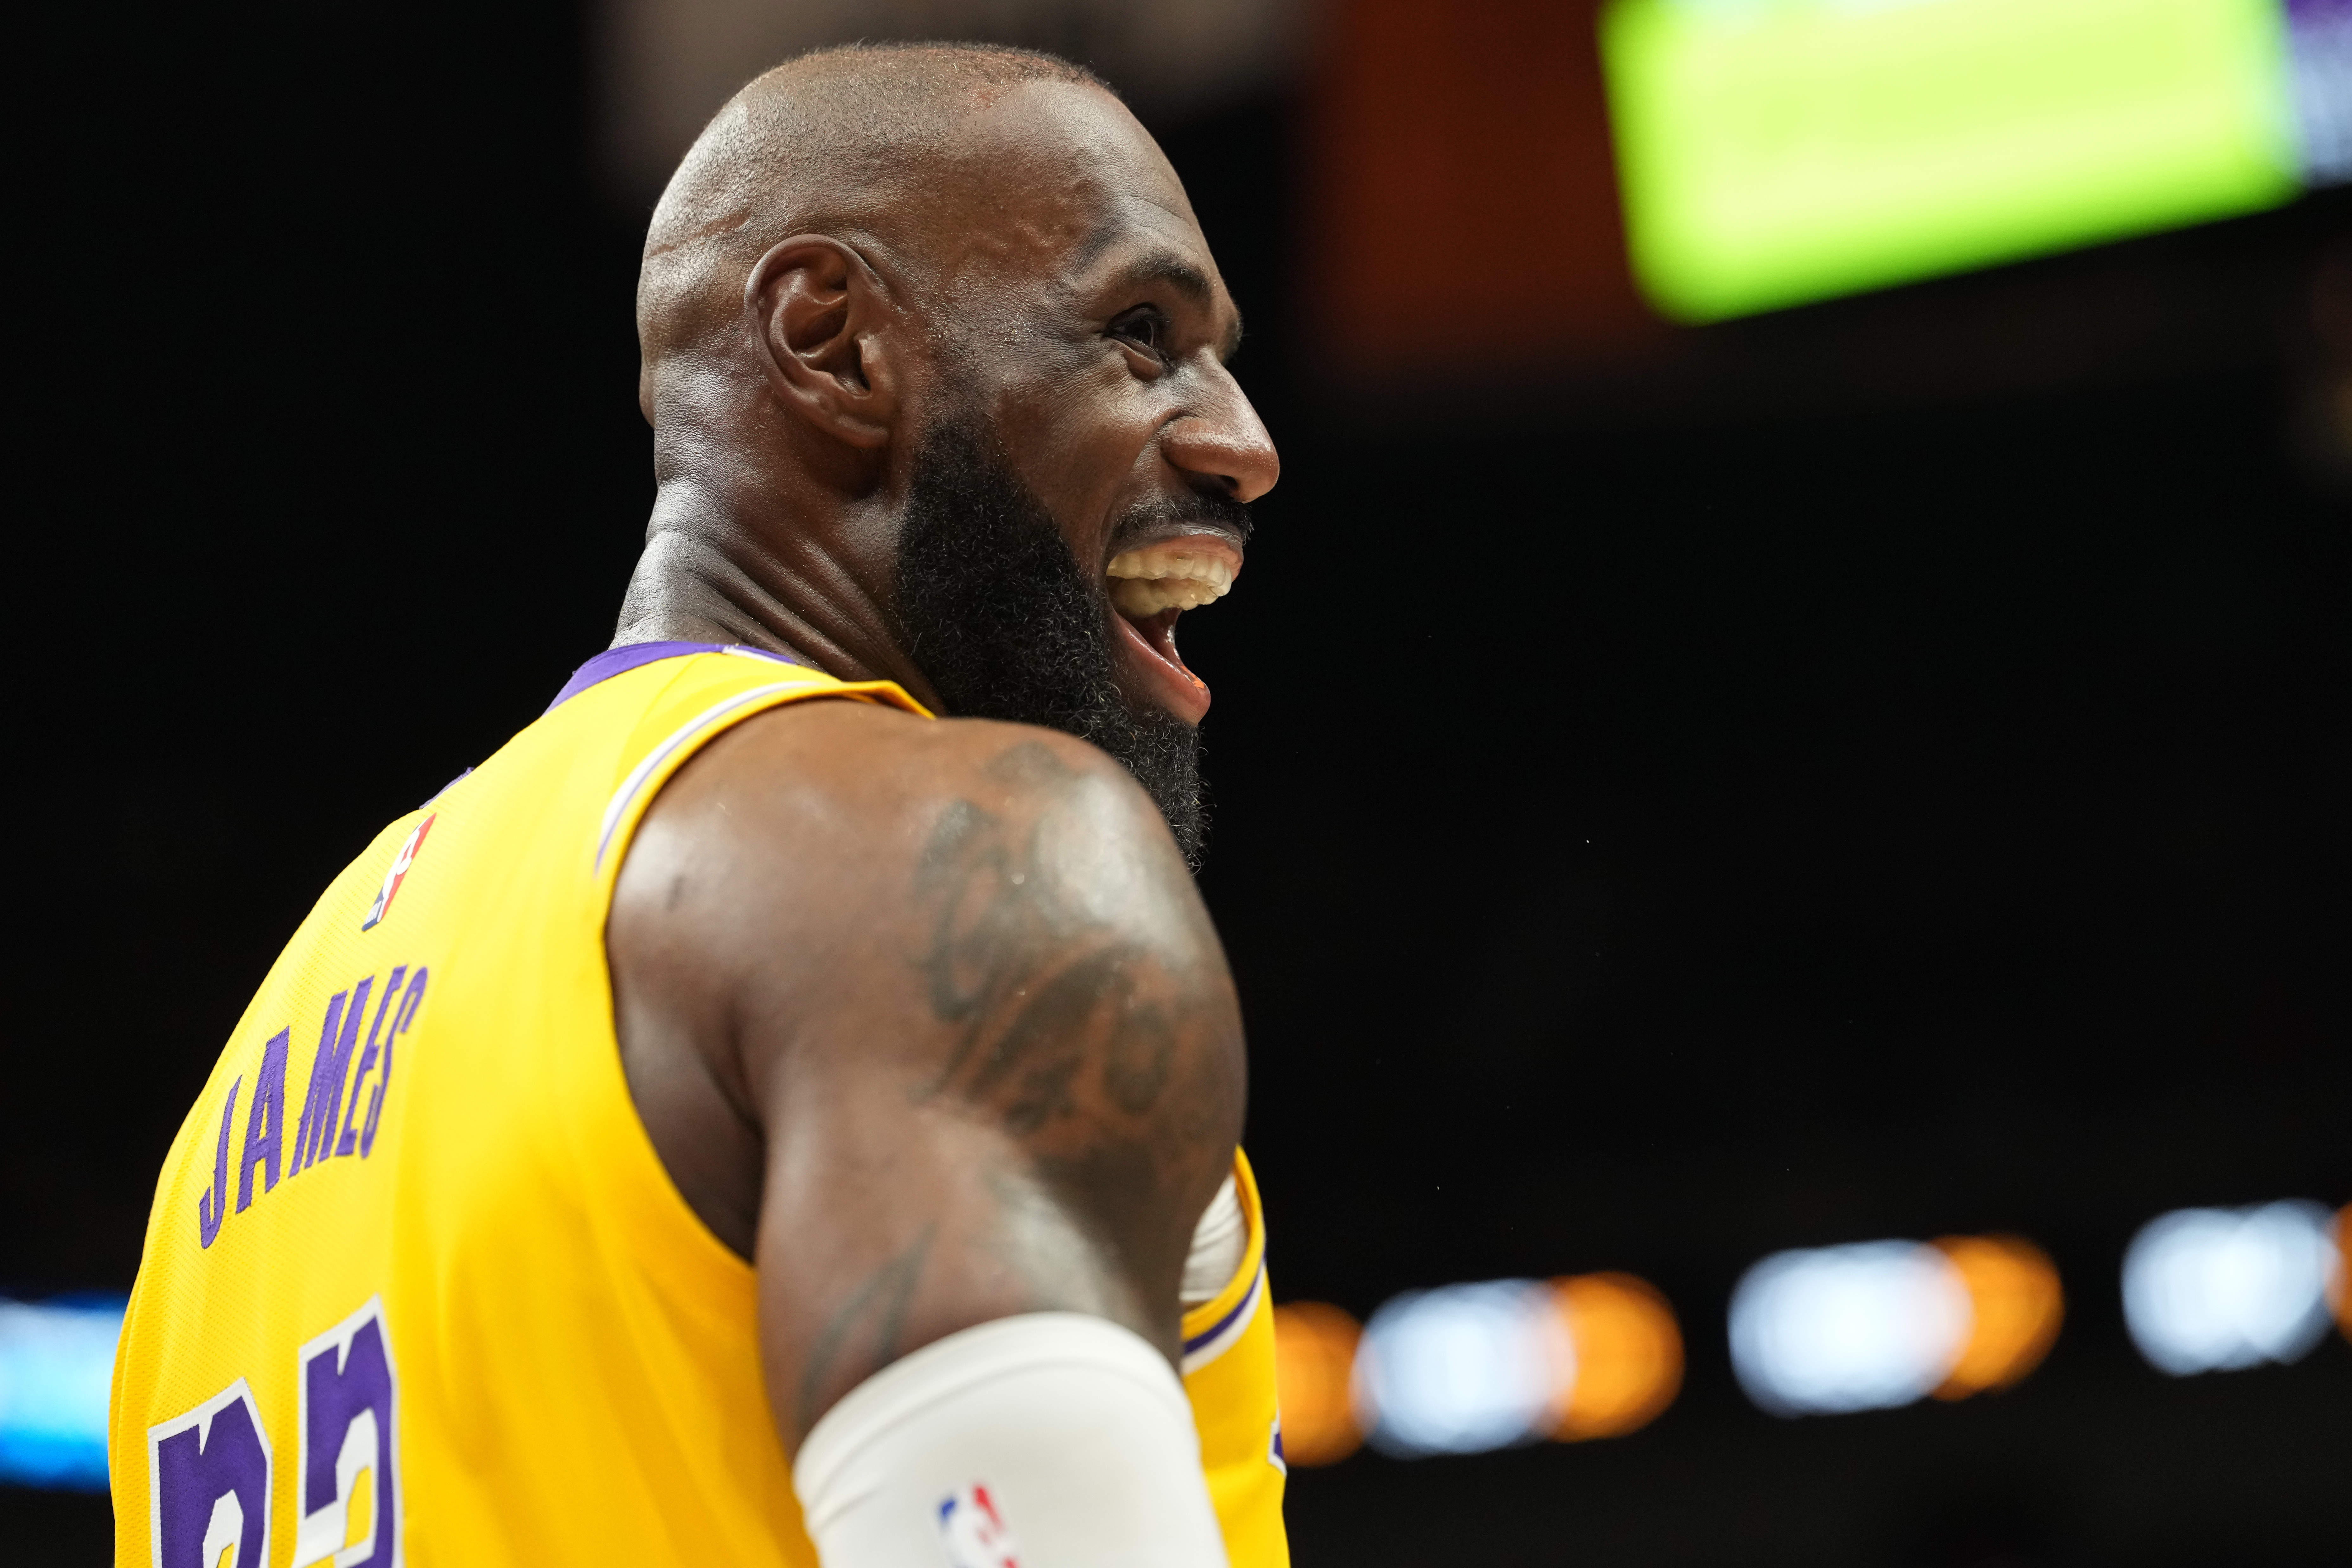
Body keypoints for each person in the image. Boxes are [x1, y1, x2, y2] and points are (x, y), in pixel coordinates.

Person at [109, 41, 1284, 1568]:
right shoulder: (950, 862)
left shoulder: (235, 1111)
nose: (1244, 443)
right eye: (1140, 334)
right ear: (831, 341)